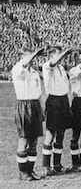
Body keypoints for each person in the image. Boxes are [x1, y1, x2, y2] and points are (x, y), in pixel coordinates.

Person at [12, 47, 44, 181]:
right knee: (24, 139)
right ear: (22, 56)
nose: (32, 57)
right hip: (24, 105)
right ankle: (23, 172)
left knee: (34, 140)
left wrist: (41, 109)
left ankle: (31, 170)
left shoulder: (35, 72)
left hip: (35, 105)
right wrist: (35, 53)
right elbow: (25, 63)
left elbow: (39, 92)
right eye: (29, 55)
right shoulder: (18, 67)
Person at [41, 45, 73, 175]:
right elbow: (53, 62)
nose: (62, 58)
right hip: (53, 101)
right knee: (50, 135)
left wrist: (68, 105)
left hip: (63, 101)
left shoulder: (61, 68)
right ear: (52, 56)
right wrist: (65, 52)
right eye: (59, 54)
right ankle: (46, 167)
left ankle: (57, 165)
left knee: (60, 135)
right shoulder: (47, 66)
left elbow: (66, 87)